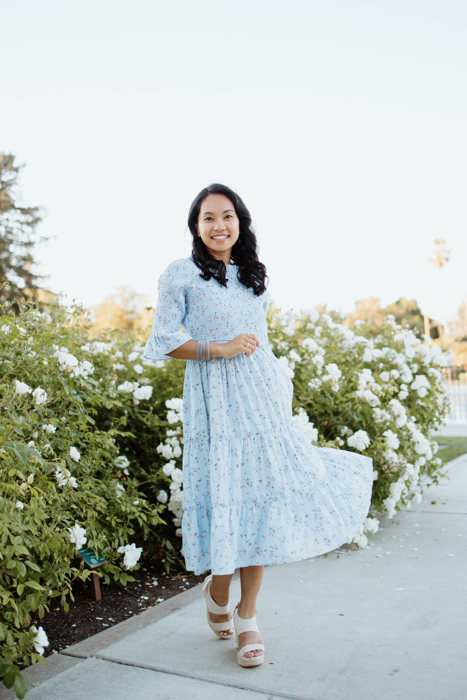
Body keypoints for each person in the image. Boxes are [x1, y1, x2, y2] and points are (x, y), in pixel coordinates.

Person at [143, 183, 374, 668]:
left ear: (240, 223)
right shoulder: (180, 274)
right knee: (228, 497)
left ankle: (247, 616)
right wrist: (218, 348)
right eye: (209, 218)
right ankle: (217, 588)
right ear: (196, 226)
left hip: (262, 403)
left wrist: (279, 396)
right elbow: (163, 340)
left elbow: (262, 345)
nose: (219, 225)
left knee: (260, 502)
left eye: (228, 216)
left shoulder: (253, 277)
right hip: (214, 405)